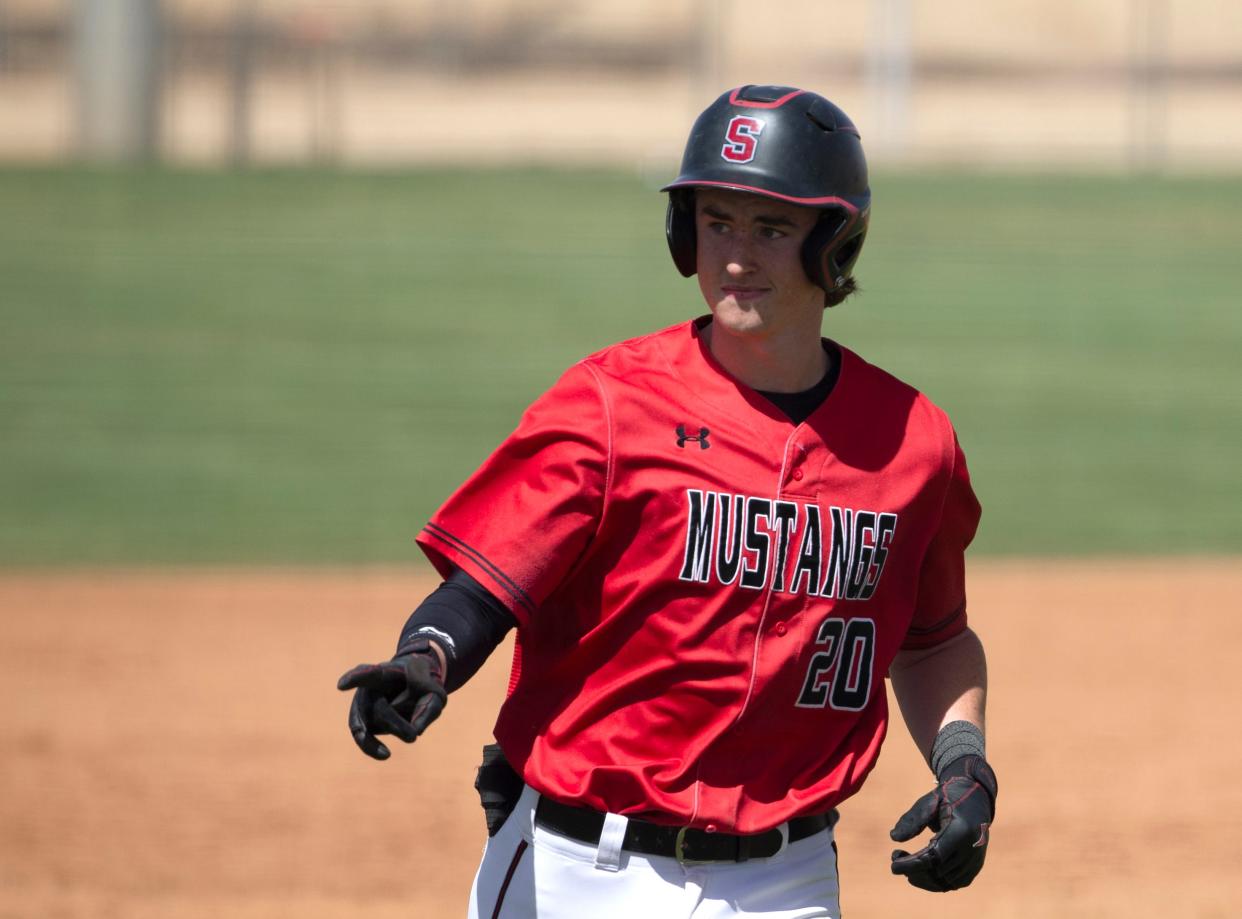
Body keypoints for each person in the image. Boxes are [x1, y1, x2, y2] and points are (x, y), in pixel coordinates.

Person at [338, 84, 997, 918]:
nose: (736, 255)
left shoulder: (913, 443)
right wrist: (425, 655)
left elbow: (932, 638)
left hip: (788, 879)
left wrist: (964, 763)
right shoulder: (611, 405)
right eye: (717, 221)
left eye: (771, 227)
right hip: (582, 870)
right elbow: (487, 585)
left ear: (835, 245)